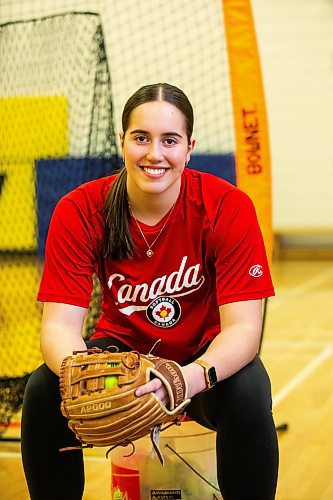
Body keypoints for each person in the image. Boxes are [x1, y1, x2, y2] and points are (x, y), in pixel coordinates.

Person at [21, 82, 279, 499]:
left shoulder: (227, 207)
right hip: (120, 356)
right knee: (41, 393)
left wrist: (184, 380)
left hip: (201, 357)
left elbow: (244, 331)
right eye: (141, 138)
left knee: (250, 393)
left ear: (189, 148)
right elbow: (58, 325)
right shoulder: (80, 209)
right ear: (121, 141)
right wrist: (83, 372)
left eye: (170, 140)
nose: (154, 154)